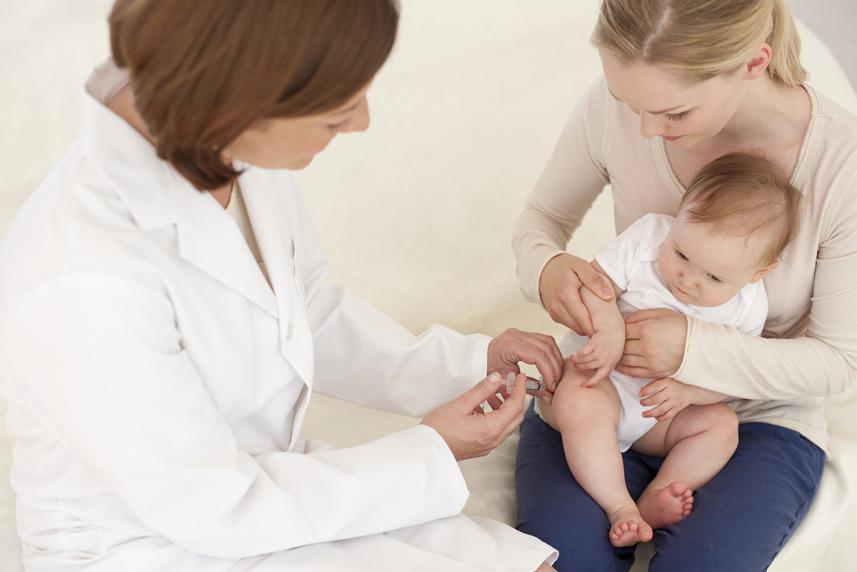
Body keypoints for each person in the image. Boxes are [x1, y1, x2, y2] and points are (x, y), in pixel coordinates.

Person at [0, 1, 564, 570]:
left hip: (275, 487)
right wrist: (431, 454)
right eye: (337, 110)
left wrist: (473, 365)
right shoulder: (81, 276)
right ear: (243, 101)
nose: (360, 121)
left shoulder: (223, 144)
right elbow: (213, 505)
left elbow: (302, 310)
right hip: (156, 542)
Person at [512, 0, 857, 569]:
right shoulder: (616, 110)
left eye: (673, 113)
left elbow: (841, 362)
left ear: (753, 63)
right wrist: (548, 269)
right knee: (565, 561)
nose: (646, 130)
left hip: (748, 418)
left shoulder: (840, 167)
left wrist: (693, 352)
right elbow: (540, 222)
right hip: (603, 388)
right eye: (629, 102)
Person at [536, 152, 801, 548]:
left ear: (759, 271)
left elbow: (734, 373)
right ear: (678, 217)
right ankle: (618, 506)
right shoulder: (647, 237)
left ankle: (657, 495)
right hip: (596, 383)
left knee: (720, 425)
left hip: (656, 416)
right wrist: (608, 329)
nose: (688, 280)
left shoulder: (748, 305)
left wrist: (691, 394)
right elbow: (592, 285)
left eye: (713, 276)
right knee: (579, 400)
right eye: (681, 254)